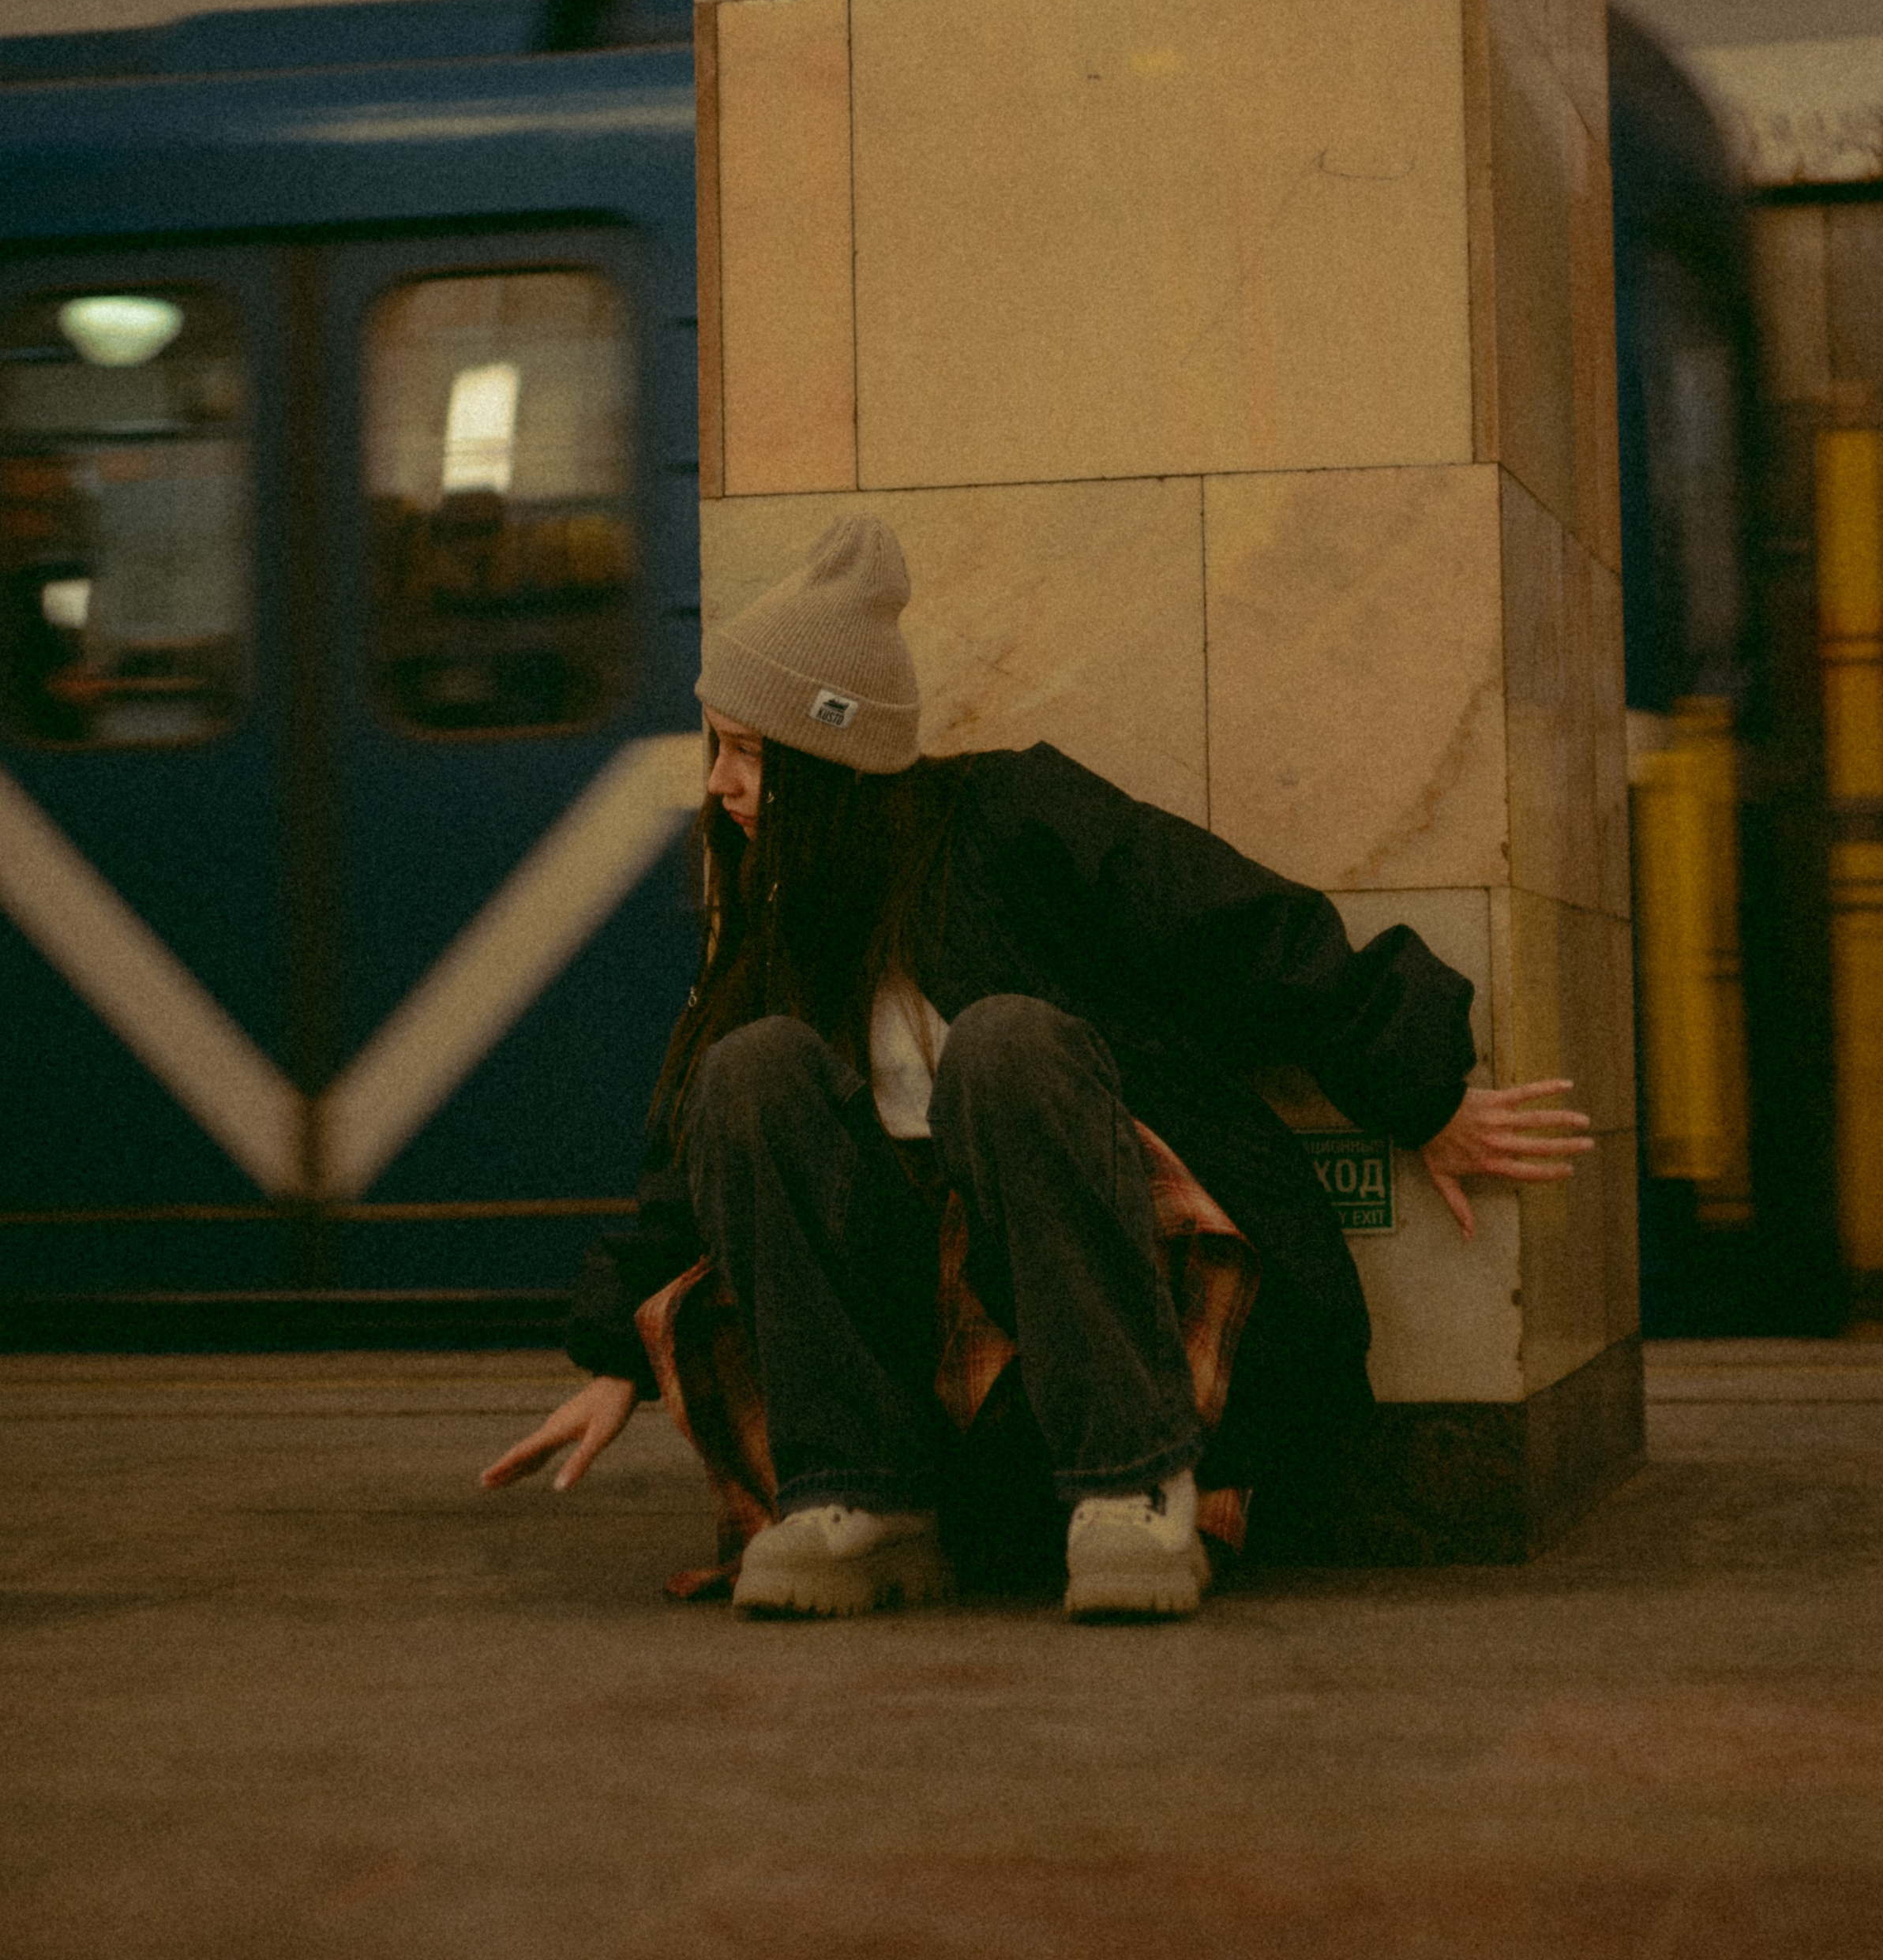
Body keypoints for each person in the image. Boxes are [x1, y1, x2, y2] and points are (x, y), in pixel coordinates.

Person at [482, 515, 1592, 1621]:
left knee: (1008, 1042)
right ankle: (862, 1505)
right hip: (907, 1332)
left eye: (752, 752)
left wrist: (1421, 1093)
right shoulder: (778, 924)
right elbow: (702, 1156)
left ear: (833, 757)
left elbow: (1246, 935)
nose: (719, 783)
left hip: (1082, 1280)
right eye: (716, 747)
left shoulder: (1015, 819)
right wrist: (614, 1358)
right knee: (748, 1068)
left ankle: (1133, 1485)